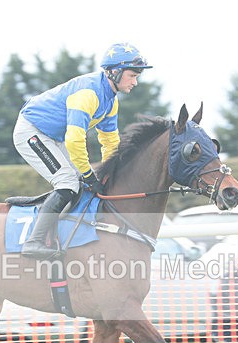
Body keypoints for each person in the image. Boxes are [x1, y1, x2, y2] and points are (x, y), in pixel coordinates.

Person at [13, 43, 152, 259]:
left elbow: (109, 142)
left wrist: (110, 172)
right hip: (32, 131)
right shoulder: (88, 93)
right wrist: (88, 174)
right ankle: (34, 241)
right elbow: (75, 140)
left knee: (79, 184)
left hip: (53, 137)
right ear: (114, 72)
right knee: (69, 181)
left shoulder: (110, 101)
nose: (135, 82)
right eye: (132, 75)